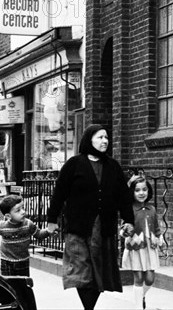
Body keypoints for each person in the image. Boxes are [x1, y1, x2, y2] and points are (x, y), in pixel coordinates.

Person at [47, 124, 134, 310]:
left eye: (106, 138)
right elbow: (59, 193)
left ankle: (89, 308)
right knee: (82, 272)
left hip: (104, 228)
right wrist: (51, 220)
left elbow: (124, 196)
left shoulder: (112, 166)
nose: (105, 141)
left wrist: (128, 220)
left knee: (98, 272)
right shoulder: (74, 164)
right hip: (79, 228)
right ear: (89, 140)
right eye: (100, 137)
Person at [120, 175, 161, 309]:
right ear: (131, 192)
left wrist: (160, 238)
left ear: (148, 191)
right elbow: (123, 228)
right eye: (137, 190)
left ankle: (141, 295)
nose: (141, 193)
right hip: (135, 247)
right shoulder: (129, 209)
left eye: (144, 189)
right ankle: (138, 307)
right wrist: (125, 231)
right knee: (138, 277)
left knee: (150, 279)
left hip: (150, 247)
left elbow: (156, 228)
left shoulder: (152, 209)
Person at [0, 194, 50, 276]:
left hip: (23, 262)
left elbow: (39, 234)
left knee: (23, 284)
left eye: (23, 208)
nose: (23, 212)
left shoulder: (28, 224)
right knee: (9, 285)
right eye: (18, 210)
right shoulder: (2, 226)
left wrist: (48, 231)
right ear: (8, 216)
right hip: (6, 262)